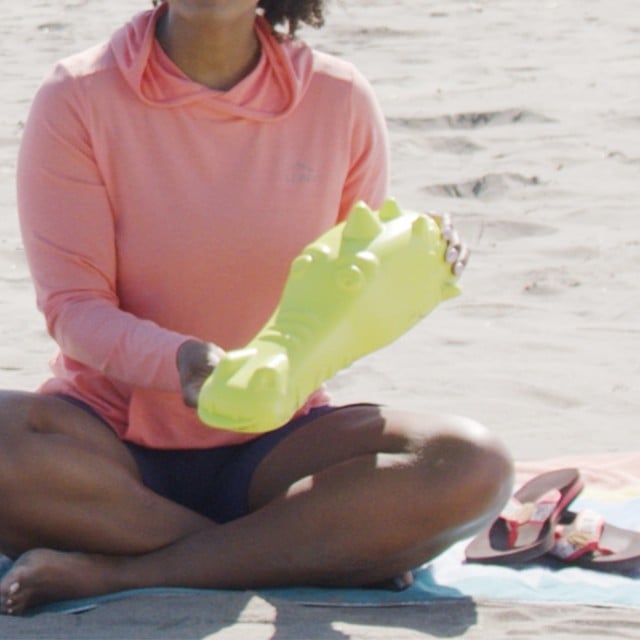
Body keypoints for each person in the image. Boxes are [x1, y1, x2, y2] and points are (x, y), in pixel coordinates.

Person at [0, 0, 513, 615]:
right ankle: (291, 551)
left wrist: (410, 269)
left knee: (471, 465)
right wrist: (182, 363)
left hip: (277, 445)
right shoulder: (79, 96)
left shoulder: (338, 98)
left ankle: (121, 572)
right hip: (106, 450)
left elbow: (342, 301)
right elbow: (73, 309)